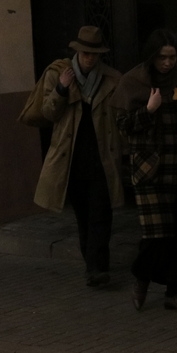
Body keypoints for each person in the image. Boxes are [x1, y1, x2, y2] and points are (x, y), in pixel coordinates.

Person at [33, 25, 125, 287]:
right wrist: (62, 88)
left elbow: (120, 116)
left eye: (94, 54)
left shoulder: (111, 79)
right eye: (85, 53)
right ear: (77, 52)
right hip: (71, 158)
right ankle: (92, 265)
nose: (89, 58)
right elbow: (48, 113)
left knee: (101, 214)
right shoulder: (58, 74)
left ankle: (98, 268)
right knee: (84, 216)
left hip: (102, 157)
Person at [114, 29, 177, 314]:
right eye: (162, 57)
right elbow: (122, 126)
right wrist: (148, 111)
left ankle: (173, 292)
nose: (168, 63)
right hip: (149, 170)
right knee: (155, 236)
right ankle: (141, 280)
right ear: (152, 56)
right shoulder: (133, 82)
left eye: (172, 57)